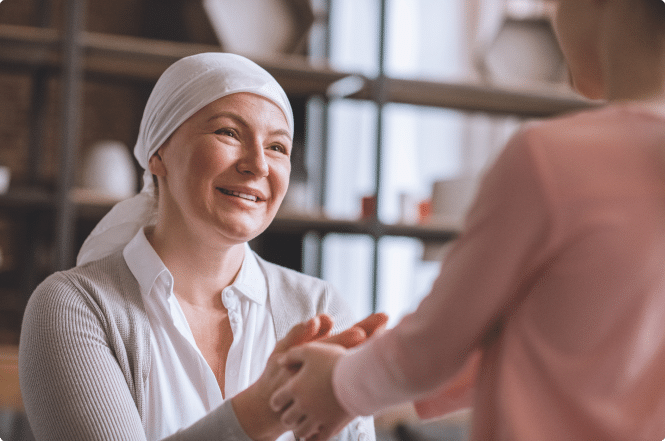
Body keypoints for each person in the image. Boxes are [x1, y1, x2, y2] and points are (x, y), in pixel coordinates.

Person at [268, 0, 665, 439]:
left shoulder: (552, 158)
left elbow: (433, 348)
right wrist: (357, 370)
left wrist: (338, 384)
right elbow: (561, 341)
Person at [18, 52, 386, 441]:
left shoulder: (319, 308)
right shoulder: (74, 307)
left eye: (278, 147)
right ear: (158, 153)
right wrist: (265, 407)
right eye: (228, 132)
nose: (259, 164)